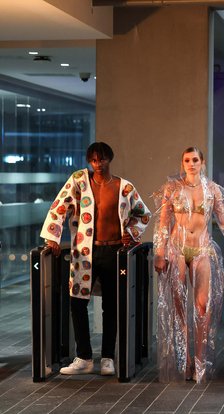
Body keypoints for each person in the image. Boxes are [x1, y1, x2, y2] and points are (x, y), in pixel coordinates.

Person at [153, 147, 224, 383]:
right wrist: (160, 253)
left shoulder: (212, 189)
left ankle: (200, 361)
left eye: (195, 160)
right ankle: (185, 361)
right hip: (177, 249)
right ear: (182, 163)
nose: (191, 164)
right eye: (186, 160)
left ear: (202, 162)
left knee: (203, 308)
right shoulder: (172, 188)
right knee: (179, 307)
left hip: (202, 248)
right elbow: (163, 223)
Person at [40, 142, 151, 376]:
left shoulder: (124, 187)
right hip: (84, 252)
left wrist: (129, 233)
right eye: (93, 160)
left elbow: (143, 214)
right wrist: (53, 238)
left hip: (113, 252)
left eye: (101, 159)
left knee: (111, 306)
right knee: (77, 303)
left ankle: (108, 357)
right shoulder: (79, 181)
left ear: (110, 159)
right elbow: (60, 206)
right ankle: (84, 357)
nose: (97, 164)